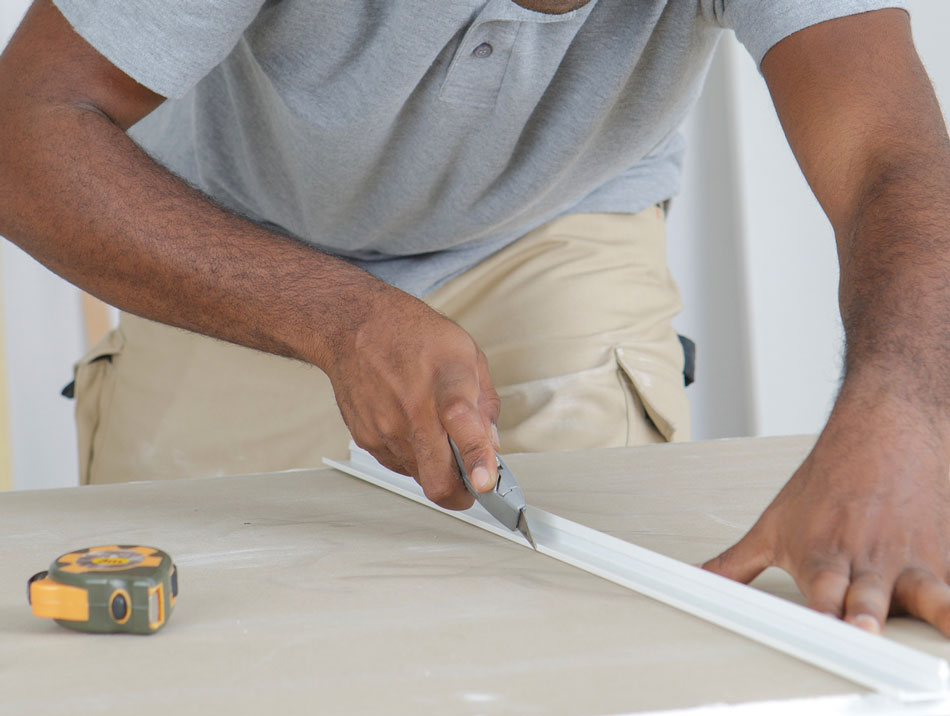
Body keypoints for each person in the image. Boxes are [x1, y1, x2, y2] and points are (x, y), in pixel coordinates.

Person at [2, 0, 949, 637]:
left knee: (599, 639)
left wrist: (900, 416)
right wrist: (339, 319)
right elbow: (24, 137)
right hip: (231, 242)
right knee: (194, 652)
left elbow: (890, 160)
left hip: (556, 224)